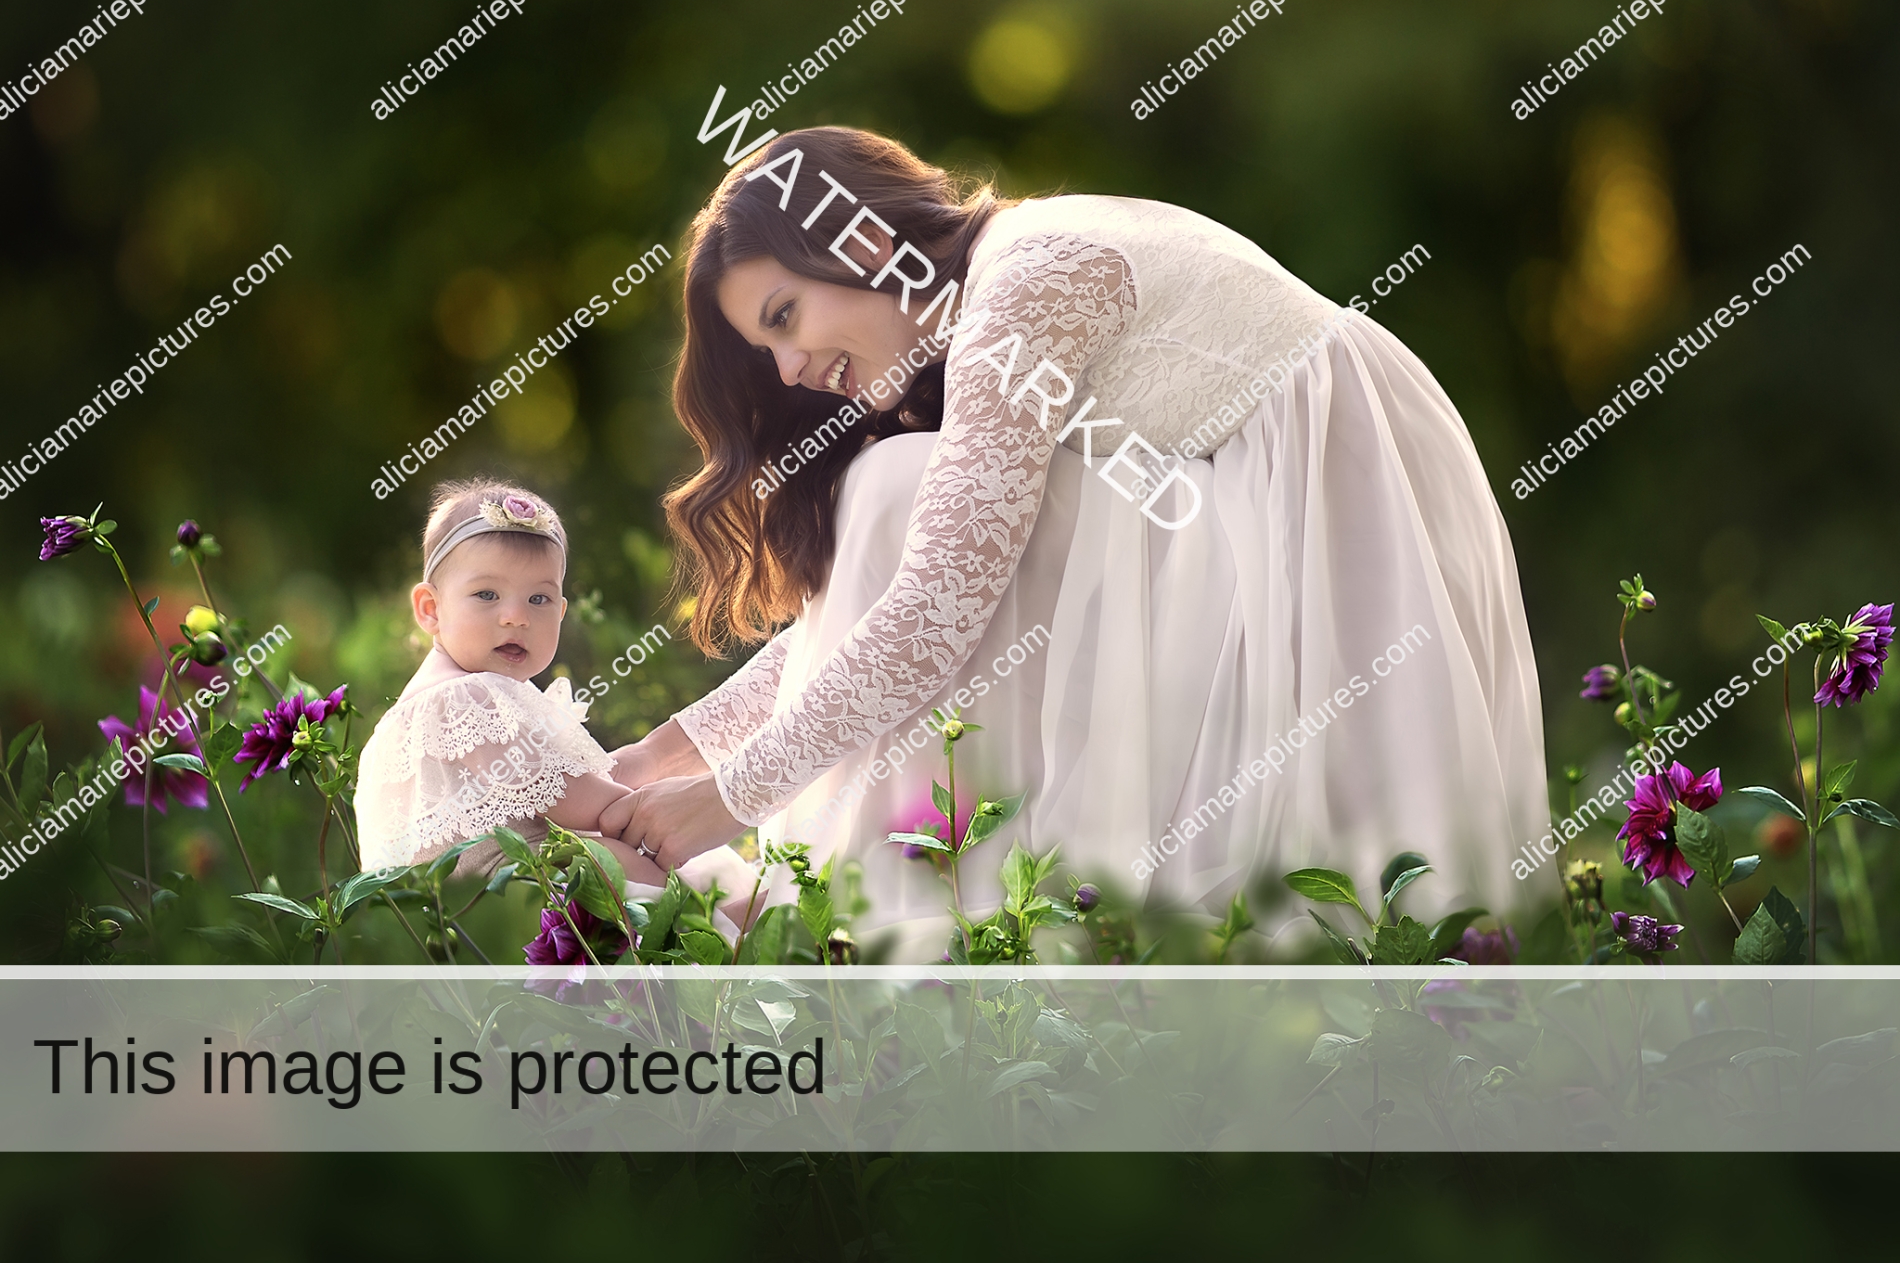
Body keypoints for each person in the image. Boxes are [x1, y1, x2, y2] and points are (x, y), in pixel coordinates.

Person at [612, 127, 1549, 940]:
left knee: (899, 489)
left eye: (785, 318)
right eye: (767, 349)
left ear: (862, 240)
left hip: (1322, 536)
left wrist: (725, 802)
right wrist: (657, 760)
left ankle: (862, 925)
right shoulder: (993, 294)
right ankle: (893, 904)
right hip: (1250, 522)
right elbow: (891, 606)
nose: (790, 369)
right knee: (911, 498)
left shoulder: (1026, 282)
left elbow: (934, 609)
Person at [354, 479, 755, 916]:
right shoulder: (464, 698)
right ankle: (715, 923)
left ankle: (717, 920)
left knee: (607, 853)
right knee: (607, 855)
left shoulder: (434, 700)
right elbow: (585, 806)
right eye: (487, 594)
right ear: (431, 608)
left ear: (561, 612)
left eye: (539, 598)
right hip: (506, 902)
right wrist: (678, 806)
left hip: (457, 919)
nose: (516, 617)